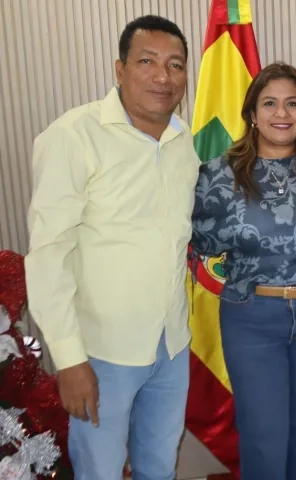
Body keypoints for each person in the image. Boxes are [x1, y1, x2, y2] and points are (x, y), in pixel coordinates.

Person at [24, 15, 197, 479]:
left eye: (176, 65)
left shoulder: (183, 141)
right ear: (119, 70)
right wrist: (70, 358)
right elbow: (47, 255)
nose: (163, 76)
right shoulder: (73, 136)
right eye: (147, 62)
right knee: (99, 471)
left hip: (171, 344)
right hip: (101, 353)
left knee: (159, 466)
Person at [190, 62, 296, 479]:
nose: (282, 113)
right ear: (252, 113)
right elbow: (199, 242)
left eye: (293, 104)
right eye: (269, 103)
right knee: (263, 434)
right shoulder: (218, 175)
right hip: (251, 318)